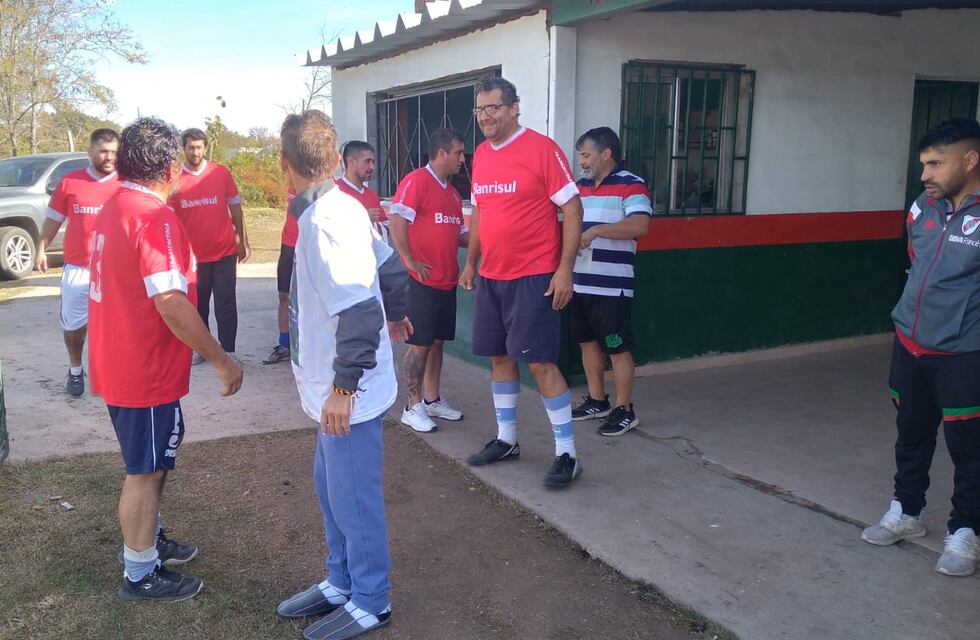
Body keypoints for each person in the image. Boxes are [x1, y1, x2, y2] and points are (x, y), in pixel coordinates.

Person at [87, 117, 243, 601]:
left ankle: (149, 541)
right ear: (170, 166)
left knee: (150, 461)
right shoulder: (154, 217)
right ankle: (139, 572)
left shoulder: (116, 206)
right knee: (146, 469)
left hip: (123, 360)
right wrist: (221, 359)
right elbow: (171, 302)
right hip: (143, 368)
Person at [274, 110, 411, 640]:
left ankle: (372, 599)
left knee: (352, 495)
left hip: (346, 392)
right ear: (336, 161)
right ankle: (341, 580)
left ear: (284, 162)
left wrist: (343, 389)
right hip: (330, 385)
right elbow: (392, 269)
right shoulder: (340, 207)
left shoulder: (327, 223)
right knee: (329, 486)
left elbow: (358, 312)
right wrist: (397, 311)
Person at [862, 117, 980, 577]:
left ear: (970, 160)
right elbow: (915, 264)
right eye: (923, 164)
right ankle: (906, 512)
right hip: (910, 344)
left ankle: (966, 530)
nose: (925, 175)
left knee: (968, 445)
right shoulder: (922, 208)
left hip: (965, 352)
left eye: (936, 164)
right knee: (911, 434)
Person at [459, 76, 586, 488]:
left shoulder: (541, 149)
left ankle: (567, 453)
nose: (485, 117)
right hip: (492, 277)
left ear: (514, 107)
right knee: (499, 358)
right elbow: (479, 213)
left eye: (493, 107)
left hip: (534, 276)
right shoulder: (480, 154)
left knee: (540, 362)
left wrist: (564, 269)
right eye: (479, 110)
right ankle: (507, 439)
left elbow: (572, 206)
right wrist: (471, 263)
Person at [569, 127, 652, 436]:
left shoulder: (632, 185)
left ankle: (624, 409)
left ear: (606, 153)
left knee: (616, 347)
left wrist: (597, 231)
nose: (582, 162)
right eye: (580, 156)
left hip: (611, 287)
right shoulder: (579, 187)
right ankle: (597, 400)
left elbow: (640, 225)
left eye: (586, 155)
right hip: (579, 283)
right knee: (587, 343)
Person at [388, 128, 468, 432]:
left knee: (436, 343)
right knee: (419, 345)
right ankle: (412, 405)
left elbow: (460, 234)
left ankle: (433, 400)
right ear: (442, 153)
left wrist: (489, 243)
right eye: (459, 153)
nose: (463, 159)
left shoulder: (452, 193)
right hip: (420, 282)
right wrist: (409, 260)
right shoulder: (416, 181)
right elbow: (397, 220)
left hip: (446, 281)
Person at [36, 128, 120, 396]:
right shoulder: (70, 182)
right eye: (104, 151)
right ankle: (75, 370)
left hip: (117, 269)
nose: (109, 157)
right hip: (78, 268)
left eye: (114, 152)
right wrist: (41, 248)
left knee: (118, 324)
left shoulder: (126, 183)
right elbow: (53, 219)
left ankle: (113, 372)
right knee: (73, 326)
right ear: (90, 151)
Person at [170, 128, 250, 361]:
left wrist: (242, 241)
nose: (195, 152)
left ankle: (229, 350)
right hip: (193, 257)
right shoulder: (174, 178)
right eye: (190, 147)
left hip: (224, 251)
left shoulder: (220, 173)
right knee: (197, 305)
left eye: (198, 147)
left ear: (205, 148)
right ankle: (202, 349)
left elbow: (236, 208)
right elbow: (168, 216)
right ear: (183, 148)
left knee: (225, 303)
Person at [263, 187, 297, 364]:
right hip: (288, 244)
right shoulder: (291, 173)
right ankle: (284, 344)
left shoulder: (320, 178)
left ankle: (308, 346)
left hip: (309, 245)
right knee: (284, 295)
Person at [337, 140, 388, 237]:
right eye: (367, 161)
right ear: (351, 162)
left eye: (373, 162)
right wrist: (363, 218)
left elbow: (385, 226)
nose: (372, 167)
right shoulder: (334, 191)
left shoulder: (372, 195)